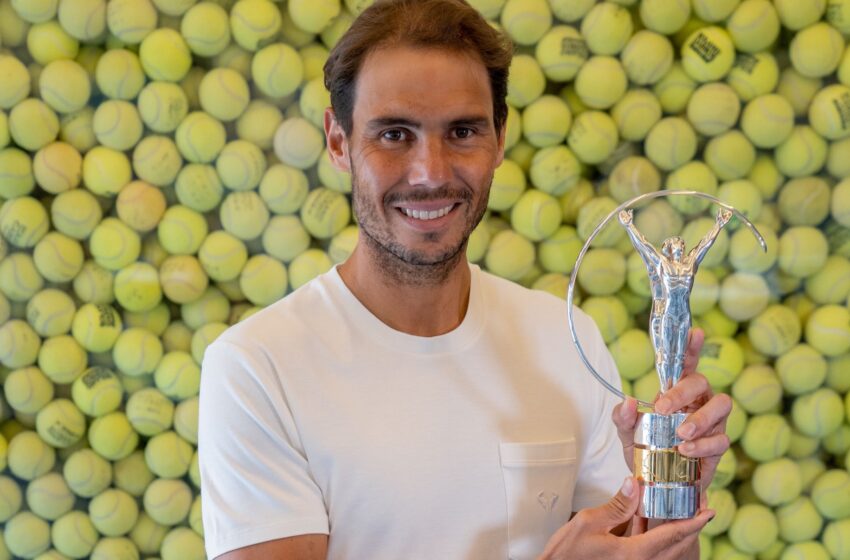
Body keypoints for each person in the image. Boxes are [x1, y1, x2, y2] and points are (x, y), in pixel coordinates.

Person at [198, 1, 732, 559]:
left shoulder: (566, 337)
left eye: (461, 131)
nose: (430, 172)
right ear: (338, 142)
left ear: (500, 138)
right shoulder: (256, 367)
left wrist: (667, 498)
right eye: (394, 134)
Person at [619, 207, 733, 393]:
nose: (679, 245)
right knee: (666, 355)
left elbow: (705, 244)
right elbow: (644, 247)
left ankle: (674, 395)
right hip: (668, 314)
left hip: (684, 315)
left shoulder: (690, 264)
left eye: (680, 244)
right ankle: (666, 393)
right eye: (674, 244)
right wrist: (629, 225)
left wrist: (719, 224)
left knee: (679, 356)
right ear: (669, 250)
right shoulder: (663, 265)